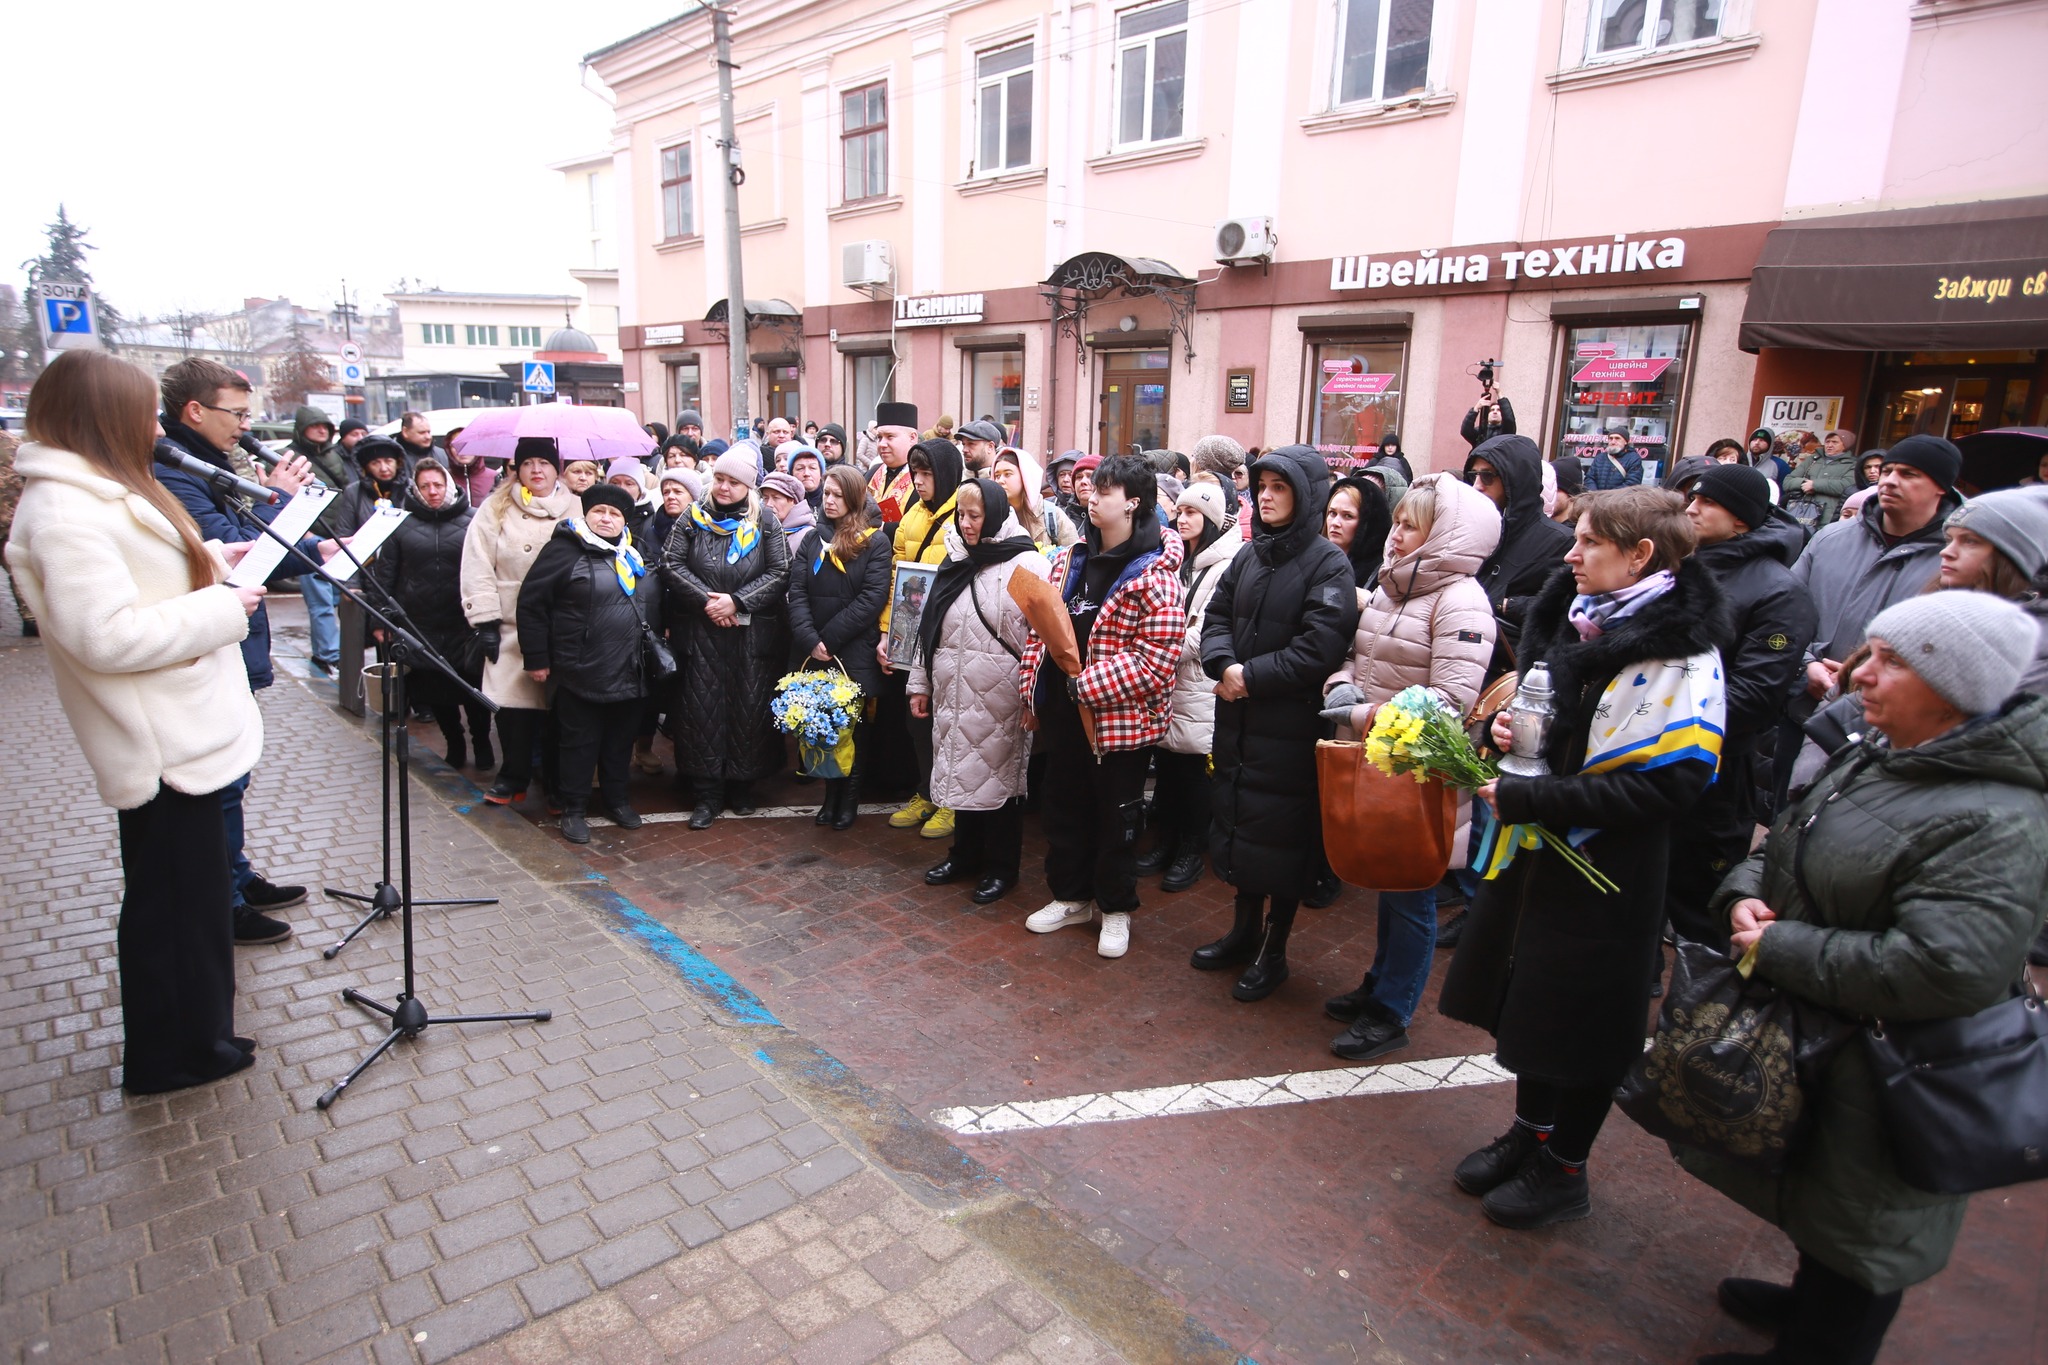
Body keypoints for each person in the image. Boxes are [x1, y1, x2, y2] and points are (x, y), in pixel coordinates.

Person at [1684, 591, 2047, 1365]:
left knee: (1868, 1228)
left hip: (1904, 1066)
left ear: (1954, 689)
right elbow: (1790, 836)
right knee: (1833, 1203)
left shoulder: (1995, 818)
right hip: (1839, 1038)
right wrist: (1744, 892)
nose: (1860, 674)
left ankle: (1822, 1345)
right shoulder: (1882, 750)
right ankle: (1811, 1302)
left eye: (1891, 662)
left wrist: (1778, 947)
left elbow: (1943, 968)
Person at [1439, 487, 1726, 1230]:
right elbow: (1552, 723)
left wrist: (1538, 796)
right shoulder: (1575, 618)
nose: (1570, 554)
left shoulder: (1681, 653)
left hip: (1610, 873)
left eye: (1590, 542)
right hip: (1542, 852)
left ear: (1641, 556)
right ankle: (1530, 1133)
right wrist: (1510, 735)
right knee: (1529, 1001)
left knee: (1590, 1021)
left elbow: (1673, 781)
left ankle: (1565, 1167)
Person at [6, 350, 267, 1093]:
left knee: (193, 901)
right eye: (140, 410)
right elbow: (108, 634)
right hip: (157, 739)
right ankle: (171, 1055)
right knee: (171, 911)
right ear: (102, 416)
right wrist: (219, 610)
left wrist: (217, 559)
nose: (153, 426)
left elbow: (145, 578)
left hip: (178, 726)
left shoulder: (101, 490)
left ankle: (201, 1035)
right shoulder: (64, 509)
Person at [1319, 475, 1501, 1054]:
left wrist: (1361, 714)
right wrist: (1342, 686)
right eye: (1395, 523)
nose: (1395, 534)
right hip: (1384, 761)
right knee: (1390, 882)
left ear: (1442, 534)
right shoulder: (1396, 586)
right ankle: (1378, 985)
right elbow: (1358, 656)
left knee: (1415, 892)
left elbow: (1450, 702)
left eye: (1409, 525)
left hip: (1424, 773)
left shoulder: (1460, 599)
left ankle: (1393, 1011)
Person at [154, 357, 331, 944]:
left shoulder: (215, 462)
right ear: (195, 411)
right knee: (222, 779)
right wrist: (280, 497)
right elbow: (240, 552)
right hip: (214, 638)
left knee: (238, 776)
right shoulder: (177, 471)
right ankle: (223, 901)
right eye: (236, 414)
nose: (245, 425)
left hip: (236, 637)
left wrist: (313, 534)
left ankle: (235, 874)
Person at [1196, 445, 1360, 994]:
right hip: (1239, 720)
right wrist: (1223, 664)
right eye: (1261, 485)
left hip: (1288, 726)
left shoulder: (1328, 562)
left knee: (1283, 841)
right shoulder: (1250, 553)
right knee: (1242, 826)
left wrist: (1250, 676)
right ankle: (1242, 931)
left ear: (1305, 494)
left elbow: (1319, 647)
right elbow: (1216, 615)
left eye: (1279, 487)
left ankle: (1274, 949)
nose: (1264, 496)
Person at [1020, 455, 1186, 958]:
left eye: (1105, 491)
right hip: (1064, 715)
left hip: (1121, 723)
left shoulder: (1155, 574)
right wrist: (1034, 691)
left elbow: (1156, 661)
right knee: (1063, 806)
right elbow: (1039, 630)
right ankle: (1071, 896)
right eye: (1092, 489)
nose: (1092, 497)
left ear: (1134, 503)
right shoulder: (1070, 558)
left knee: (1116, 818)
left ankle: (1115, 907)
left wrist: (1085, 686)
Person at [1667, 465, 1816, 949]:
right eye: (1692, 498)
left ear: (1743, 521)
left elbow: (1753, 696)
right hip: (1647, 757)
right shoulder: (1676, 566)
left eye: (1708, 502)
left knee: (1699, 902)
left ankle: (1696, 1014)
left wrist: (1658, 716)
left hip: (1717, 770)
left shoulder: (1779, 591)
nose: (1691, 508)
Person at [1781, 436, 1966, 803]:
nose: (1890, 480)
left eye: (1909, 474)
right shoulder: (1830, 539)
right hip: (1802, 704)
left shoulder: (1958, 557)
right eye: (1887, 470)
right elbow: (1786, 614)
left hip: (1887, 724)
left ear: (1941, 488)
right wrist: (1807, 667)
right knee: (1785, 815)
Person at [913, 479, 1050, 903]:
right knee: (961, 775)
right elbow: (928, 628)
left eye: (975, 516)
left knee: (1002, 784)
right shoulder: (956, 559)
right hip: (953, 692)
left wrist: (1033, 698)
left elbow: (1043, 638)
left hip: (1002, 697)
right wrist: (919, 683)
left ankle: (1001, 867)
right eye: (961, 515)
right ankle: (964, 856)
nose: (967, 524)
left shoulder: (1028, 566)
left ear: (993, 514)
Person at [517, 482, 659, 844]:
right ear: (587, 514)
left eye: (615, 514)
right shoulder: (564, 551)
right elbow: (531, 604)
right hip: (579, 668)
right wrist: (537, 657)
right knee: (579, 743)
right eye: (600, 512)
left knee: (619, 741)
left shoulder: (634, 553)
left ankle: (616, 801)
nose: (606, 519)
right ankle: (574, 808)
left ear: (625, 520)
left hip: (630, 667)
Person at [661, 448, 792, 828]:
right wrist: (708, 601)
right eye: (719, 479)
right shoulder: (693, 517)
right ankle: (706, 794)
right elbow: (670, 562)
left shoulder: (765, 520)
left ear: (747, 486)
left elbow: (781, 572)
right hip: (701, 633)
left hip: (750, 637)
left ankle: (741, 786)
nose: (723, 487)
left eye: (734, 482)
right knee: (701, 711)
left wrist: (736, 602)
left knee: (746, 711)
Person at [462, 436, 580, 807]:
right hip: (510, 625)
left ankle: (555, 780)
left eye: (543, 463)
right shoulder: (495, 507)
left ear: (555, 468)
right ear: (516, 469)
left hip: (561, 624)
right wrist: (485, 620)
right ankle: (513, 775)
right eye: (527, 463)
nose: (536, 470)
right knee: (512, 709)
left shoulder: (575, 506)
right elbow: (477, 562)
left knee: (559, 710)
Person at [1144, 481, 1244, 895]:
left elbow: (1206, 634)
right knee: (1167, 767)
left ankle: (1190, 848)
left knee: (1193, 774)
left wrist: (1154, 646)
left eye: (1193, 514)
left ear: (1213, 521)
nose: (1182, 519)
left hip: (1198, 687)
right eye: (1180, 511)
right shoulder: (1178, 561)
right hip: (1170, 685)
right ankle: (1164, 842)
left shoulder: (1223, 566)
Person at [368, 458, 492, 771]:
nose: (432, 492)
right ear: (415, 488)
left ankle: (482, 741)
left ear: (449, 485)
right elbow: (386, 574)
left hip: (464, 622)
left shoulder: (473, 519)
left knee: (473, 689)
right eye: (425, 486)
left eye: (438, 484)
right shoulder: (401, 524)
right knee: (437, 692)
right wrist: (381, 619)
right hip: (420, 624)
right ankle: (454, 742)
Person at [787, 465, 893, 828]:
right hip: (813, 649)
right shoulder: (813, 539)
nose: (829, 501)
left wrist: (828, 639)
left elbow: (872, 597)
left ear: (853, 498)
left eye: (837, 495)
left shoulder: (874, 541)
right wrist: (810, 638)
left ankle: (849, 800)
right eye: (826, 494)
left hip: (852, 652)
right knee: (820, 726)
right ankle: (828, 797)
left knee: (853, 730)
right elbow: (797, 591)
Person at [884, 438, 965, 840]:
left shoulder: (964, 515)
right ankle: (926, 792)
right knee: (916, 720)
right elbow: (894, 578)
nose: (918, 481)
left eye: (927, 473)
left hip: (950, 637)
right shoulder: (910, 515)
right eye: (914, 472)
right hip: (910, 632)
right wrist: (887, 631)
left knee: (949, 721)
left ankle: (952, 800)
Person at [1464, 434, 1575, 685]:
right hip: (1459, 665)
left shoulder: (1561, 542)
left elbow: (1564, 613)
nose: (1478, 485)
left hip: (1509, 681)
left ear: (1515, 480)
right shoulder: (1470, 532)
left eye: (1488, 476)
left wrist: (1505, 604)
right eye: (1474, 475)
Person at [286, 405, 349, 676]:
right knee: (320, 601)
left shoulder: (336, 456)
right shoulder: (288, 458)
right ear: (302, 429)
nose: (322, 430)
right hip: (309, 537)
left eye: (325, 425)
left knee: (337, 597)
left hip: (337, 534)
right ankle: (327, 655)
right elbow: (280, 499)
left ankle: (332, 651)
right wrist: (303, 533)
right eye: (315, 426)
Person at [992, 447, 1078, 552]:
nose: (1000, 481)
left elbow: (1073, 560)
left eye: (1007, 474)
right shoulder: (992, 516)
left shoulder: (1053, 516)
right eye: (997, 476)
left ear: (1025, 476)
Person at [331, 434, 411, 537]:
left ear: (398, 463)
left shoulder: (412, 488)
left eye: (388, 461)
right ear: (366, 467)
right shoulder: (354, 492)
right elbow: (344, 533)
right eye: (375, 463)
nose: (384, 468)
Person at [1323, 475, 1393, 589]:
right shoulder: (1312, 560)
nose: (1335, 522)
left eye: (1347, 516)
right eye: (1332, 513)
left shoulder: (1382, 574)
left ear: (1366, 523)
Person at [1786, 428, 1860, 530]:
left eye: (1835, 442)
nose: (1829, 445)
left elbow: (1847, 485)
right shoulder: (1813, 460)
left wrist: (1815, 485)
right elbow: (1788, 481)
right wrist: (1804, 483)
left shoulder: (1853, 464)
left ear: (1845, 445)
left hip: (1829, 517)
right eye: (1827, 442)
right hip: (1801, 512)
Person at [760, 470, 814, 552]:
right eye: (765, 498)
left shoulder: (808, 536)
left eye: (776, 498)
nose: (769, 504)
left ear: (793, 501)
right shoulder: (759, 531)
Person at [605, 458, 655, 542]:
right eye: (615, 483)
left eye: (629, 484)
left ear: (640, 490)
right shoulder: (598, 515)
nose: (621, 488)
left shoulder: (652, 521)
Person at [446, 430, 497, 504]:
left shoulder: (495, 477)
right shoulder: (445, 477)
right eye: (456, 445)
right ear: (449, 449)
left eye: (468, 444)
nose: (462, 450)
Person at [789, 446, 826, 514]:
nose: (806, 473)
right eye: (800, 468)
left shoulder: (830, 500)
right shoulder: (787, 503)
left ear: (821, 474)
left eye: (812, 468)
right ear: (792, 474)